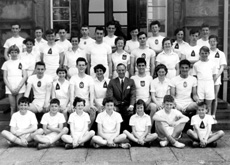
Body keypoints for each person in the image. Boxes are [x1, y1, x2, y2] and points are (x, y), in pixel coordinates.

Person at [106, 63, 136, 131]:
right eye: (119, 70)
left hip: (127, 104)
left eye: (123, 70)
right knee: (113, 111)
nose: (121, 72)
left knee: (130, 112)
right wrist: (113, 105)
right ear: (116, 71)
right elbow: (110, 95)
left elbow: (133, 94)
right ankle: (116, 132)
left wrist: (131, 105)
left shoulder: (131, 81)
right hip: (116, 104)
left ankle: (128, 133)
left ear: (126, 70)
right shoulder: (112, 82)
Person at [69, 57, 97, 129]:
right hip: (76, 102)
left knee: (93, 111)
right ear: (76, 66)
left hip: (86, 103)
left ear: (86, 66)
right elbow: (71, 92)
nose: (81, 67)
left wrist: (91, 104)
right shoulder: (73, 78)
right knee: (70, 110)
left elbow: (91, 92)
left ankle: (87, 129)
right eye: (79, 65)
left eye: (83, 65)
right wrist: (72, 104)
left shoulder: (89, 78)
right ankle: (74, 129)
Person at [2, 45, 27, 115]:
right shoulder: (6, 63)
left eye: (15, 52)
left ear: (18, 53)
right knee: (13, 107)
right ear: (9, 53)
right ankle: (12, 124)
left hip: (20, 87)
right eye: (12, 52)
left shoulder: (22, 62)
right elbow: (4, 77)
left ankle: (20, 124)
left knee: (20, 107)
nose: (14, 54)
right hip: (10, 87)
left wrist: (18, 88)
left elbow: (25, 76)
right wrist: (11, 89)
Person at [193, 46, 217, 115]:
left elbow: (214, 77)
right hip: (200, 84)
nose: (204, 55)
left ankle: (208, 124)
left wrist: (210, 85)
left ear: (209, 53)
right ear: (199, 54)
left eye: (206, 53)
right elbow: (195, 77)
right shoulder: (196, 65)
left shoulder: (213, 64)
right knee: (200, 105)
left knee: (208, 105)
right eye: (202, 53)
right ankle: (198, 123)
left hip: (209, 84)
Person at [209, 35, 227, 121]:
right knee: (208, 97)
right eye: (211, 41)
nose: (212, 43)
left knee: (215, 97)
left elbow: (222, 67)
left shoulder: (221, 53)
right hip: (207, 77)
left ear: (217, 42)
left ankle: (213, 115)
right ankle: (207, 114)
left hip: (217, 77)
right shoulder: (206, 52)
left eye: (214, 41)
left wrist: (217, 76)